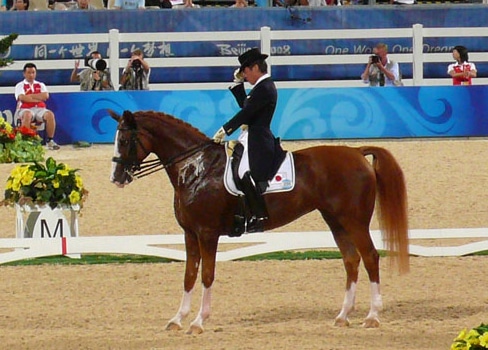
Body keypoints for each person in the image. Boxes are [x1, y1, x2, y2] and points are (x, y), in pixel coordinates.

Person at [212, 48, 286, 234]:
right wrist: (238, 85)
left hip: (259, 139)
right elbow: (247, 106)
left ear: (254, 68)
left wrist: (225, 129)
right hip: (251, 136)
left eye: (245, 71)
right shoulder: (260, 88)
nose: (244, 75)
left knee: (244, 172)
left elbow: (246, 113)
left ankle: (259, 216)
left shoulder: (266, 87)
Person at [15, 63, 60, 150]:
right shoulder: (20, 85)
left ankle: (50, 141)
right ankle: (25, 142)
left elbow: (46, 96)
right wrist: (38, 98)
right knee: (27, 114)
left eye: (33, 72)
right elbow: (22, 98)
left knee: (50, 114)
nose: (31, 75)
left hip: (39, 109)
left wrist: (30, 96)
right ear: (24, 74)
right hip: (25, 108)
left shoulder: (41, 85)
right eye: (29, 73)